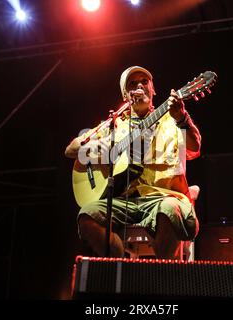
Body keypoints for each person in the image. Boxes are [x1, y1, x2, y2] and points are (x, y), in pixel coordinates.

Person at [64, 66, 202, 259]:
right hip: (124, 200)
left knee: (169, 210)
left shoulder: (172, 121)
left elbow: (195, 147)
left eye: (145, 81)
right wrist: (94, 148)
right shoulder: (115, 124)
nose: (139, 85)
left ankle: (167, 278)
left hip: (162, 197)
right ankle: (119, 270)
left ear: (153, 89)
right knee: (87, 215)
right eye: (132, 83)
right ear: (125, 95)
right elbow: (71, 149)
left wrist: (181, 117)